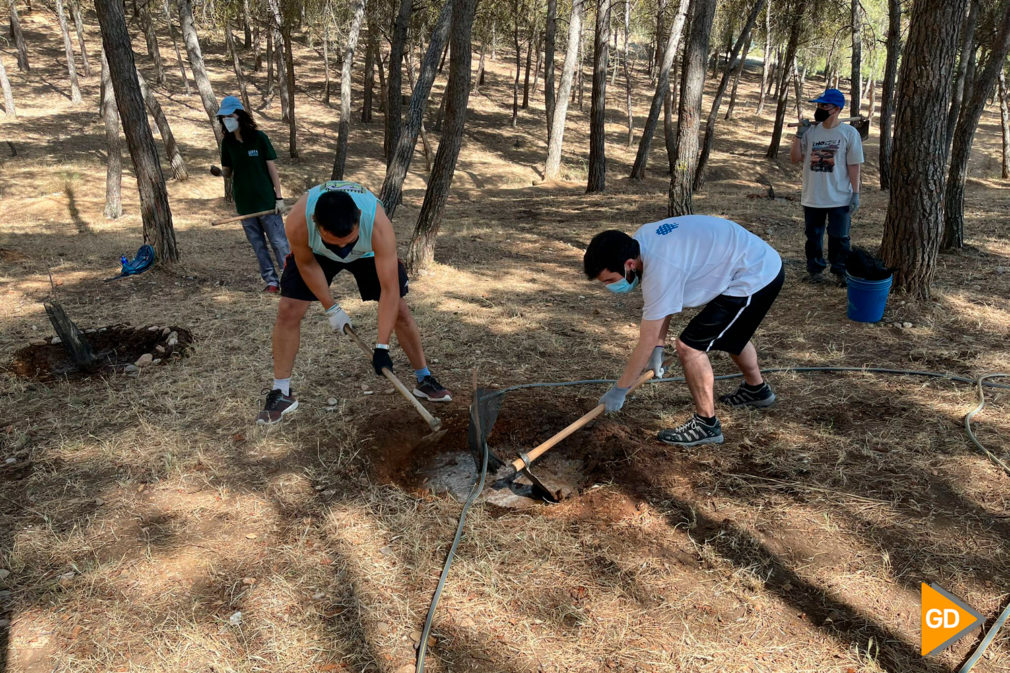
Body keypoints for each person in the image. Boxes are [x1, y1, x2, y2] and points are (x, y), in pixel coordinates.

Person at [256, 180, 452, 424]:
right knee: (288, 309)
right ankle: (281, 392)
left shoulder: (378, 224)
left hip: (368, 252)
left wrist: (382, 347)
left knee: (399, 309)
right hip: (316, 255)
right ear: (316, 223)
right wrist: (332, 307)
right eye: (334, 242)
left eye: (348, 240)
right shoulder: (299, 222)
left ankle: (424, 378)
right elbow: (306, 264)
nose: (342, 249)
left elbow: (389, 290)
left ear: (359, 217)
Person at [584, 216, 784, 447]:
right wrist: (658, 348)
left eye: (610, 279)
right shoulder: (640, 242)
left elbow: (645, 339)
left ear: (629, 264)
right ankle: (756, 391)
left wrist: (620, 389)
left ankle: (706, 425)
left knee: (690, 347)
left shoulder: (660, 265)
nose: (609, 286)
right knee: (732, 334)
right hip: (752, 261)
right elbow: (664, 304)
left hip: (754, 275)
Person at [790, 88, 864, 288]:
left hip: (840, 196)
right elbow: (795, 158)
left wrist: (855, 194)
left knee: (839, 237)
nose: (819, 109)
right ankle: (814, 270)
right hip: (813, 195)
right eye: (818, 105)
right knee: (813, 236)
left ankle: (840, 271)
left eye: (824, 105)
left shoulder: (849, 133)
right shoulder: (811, 131)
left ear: (837, 109)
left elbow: (854, 165)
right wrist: (798, 135)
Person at [217, 95, 290, 293]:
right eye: (224, 118)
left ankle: (291, 281)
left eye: (230, 116)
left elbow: (272, 169)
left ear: (240, 116)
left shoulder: (259, 138)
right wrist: (219, 172)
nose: (227, 120)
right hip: (245, 205)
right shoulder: (228, 143)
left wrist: (279, 197)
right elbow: (228, 172)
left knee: (279, 243)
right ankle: (271, 282)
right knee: (258, 246)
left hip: (266, 202)